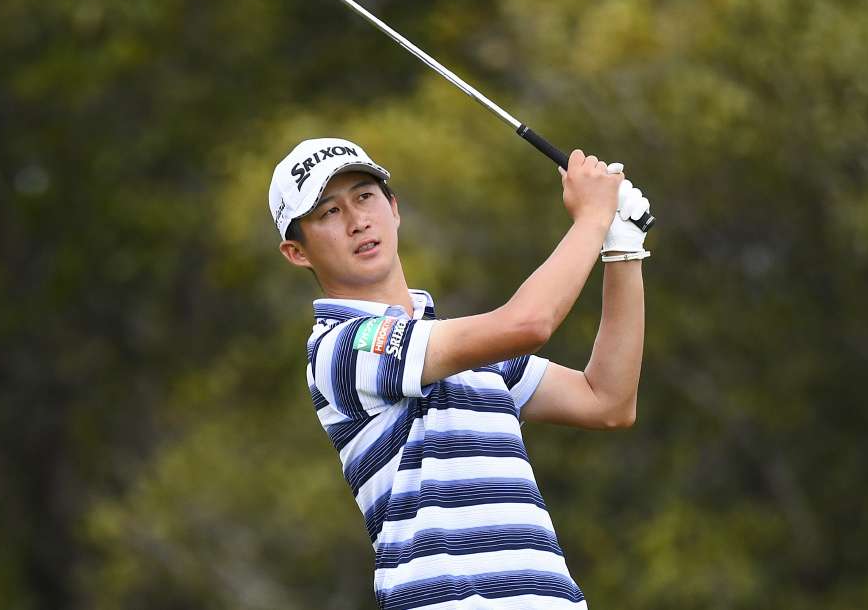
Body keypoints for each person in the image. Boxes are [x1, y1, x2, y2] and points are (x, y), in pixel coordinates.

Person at [269, 137, 651, 609]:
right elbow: (529, 323)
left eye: (365, 197)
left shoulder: (462, 348)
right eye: (328, 212)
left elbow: (606, 400)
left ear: (393, 207)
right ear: (297, 252)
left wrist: (622, 249)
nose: (356, 221)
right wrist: (593, 217)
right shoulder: (342, 348)